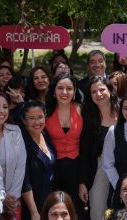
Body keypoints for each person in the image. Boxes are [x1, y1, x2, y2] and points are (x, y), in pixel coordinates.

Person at [45, 74, 85, 218]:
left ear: (75, 92)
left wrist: (83, 181)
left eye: (69, 88)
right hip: (53, 167)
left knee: (75, 209)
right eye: (60, 88)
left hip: (76, 166)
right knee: (54, 209)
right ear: (54, 91)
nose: (64, 92)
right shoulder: (45, 111)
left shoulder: (82, 109)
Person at [79, 76, 118, 220]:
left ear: (110, 90)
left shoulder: (124, 110)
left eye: (102, 89)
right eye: (93, 92)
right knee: (97, 209)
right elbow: (84, 152)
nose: (98, 94)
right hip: (99, 167)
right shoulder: (89, 118)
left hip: (122, 165)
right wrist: (82, 183)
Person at [21, 101, 57, 220]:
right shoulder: (22, 143)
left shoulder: (45, 135)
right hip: (33, 204)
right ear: (24, 121)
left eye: (40, 117)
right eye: (31, 118)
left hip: (50, 200)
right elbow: (25, 182)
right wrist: (34, 211)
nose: (37, 122)